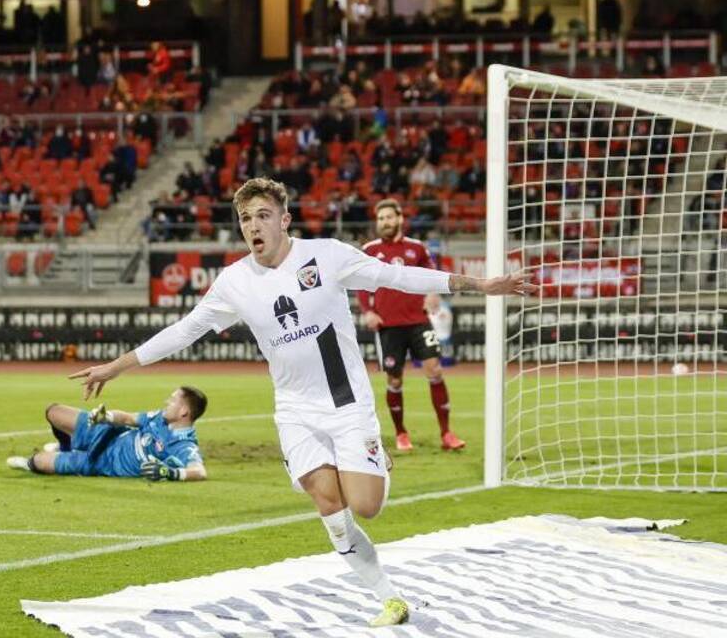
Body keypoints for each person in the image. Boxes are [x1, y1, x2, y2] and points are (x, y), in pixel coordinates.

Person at [68, 178, 534, 628]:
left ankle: (378, 461)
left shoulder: (326, 256)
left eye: (263, 215)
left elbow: (398, 276)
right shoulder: (234, 282)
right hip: (295, 412)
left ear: (285, 219)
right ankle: (388, 596)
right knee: (330, 508)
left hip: (347, 404)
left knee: (365, 506)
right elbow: (184, 330)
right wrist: (117, 365)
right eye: (246, 218)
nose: (253, 225)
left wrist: (481, 285)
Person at [358, 199, 465, 452]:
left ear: (399, 219)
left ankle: (447, 433)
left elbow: (433, 275)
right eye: (380, 218)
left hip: (418, 321)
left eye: (388, 217)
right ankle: (401, 433)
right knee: (394, 381)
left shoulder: (416, 249)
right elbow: (362, 284)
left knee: (435, 371)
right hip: (388, 325)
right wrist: (368, 311)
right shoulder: (369, 250)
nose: (385, 222)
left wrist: (433, 293)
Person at [6, 387, 207, 481]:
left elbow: (199, 471)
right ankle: (65, 447)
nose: (166, 402)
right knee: (53, 411)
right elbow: (128, 418)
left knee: (38, 462)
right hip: (105, 433)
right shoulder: (160, 417)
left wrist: (170, 472)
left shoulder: (183, 445)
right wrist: (107, 417)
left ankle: (57, 456)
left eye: (172, 401)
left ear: (183, 412)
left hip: (102, 462)